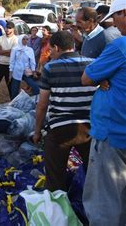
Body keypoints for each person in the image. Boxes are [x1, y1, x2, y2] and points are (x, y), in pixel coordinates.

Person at [81, 0, 126, 225]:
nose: (113, 24)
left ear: (124, 13)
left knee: (104, 204)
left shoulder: (120, 46)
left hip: (113, 134)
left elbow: (86, 78)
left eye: (115, 18)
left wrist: (102, 77)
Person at [32, 31, 96, 192]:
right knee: (94, 174)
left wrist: (37, 131)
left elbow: (42, 105)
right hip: (90, 129)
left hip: (60, 128)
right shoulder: (92, 63)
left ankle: (58, 206)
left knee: (55, 176)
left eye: (51, 49)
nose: (50, 53)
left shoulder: (50, 68)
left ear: (57, 47)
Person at [9, 35, 39, 99]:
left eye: (27, 39)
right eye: (23, 39)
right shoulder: (15, 49)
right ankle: (13, 104)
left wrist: (33, 72)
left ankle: (33, 101)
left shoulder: (29, 50)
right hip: (17, 72)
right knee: (14, 90)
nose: (25, 41)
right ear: (20, 40)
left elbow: (32, 62)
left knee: (35, 87)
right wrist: (10, 73)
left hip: (27, 72)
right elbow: (12, 61)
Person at [0, 21, 18, 98]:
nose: (7, 30)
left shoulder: (16, 39)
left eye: (9, 28)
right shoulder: (1, 38)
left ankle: (13, 105)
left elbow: (14, 54)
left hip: (10, 66)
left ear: (13, 29)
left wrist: (1, 51)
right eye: (6, 28)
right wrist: (8, 51)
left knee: (11, 88)